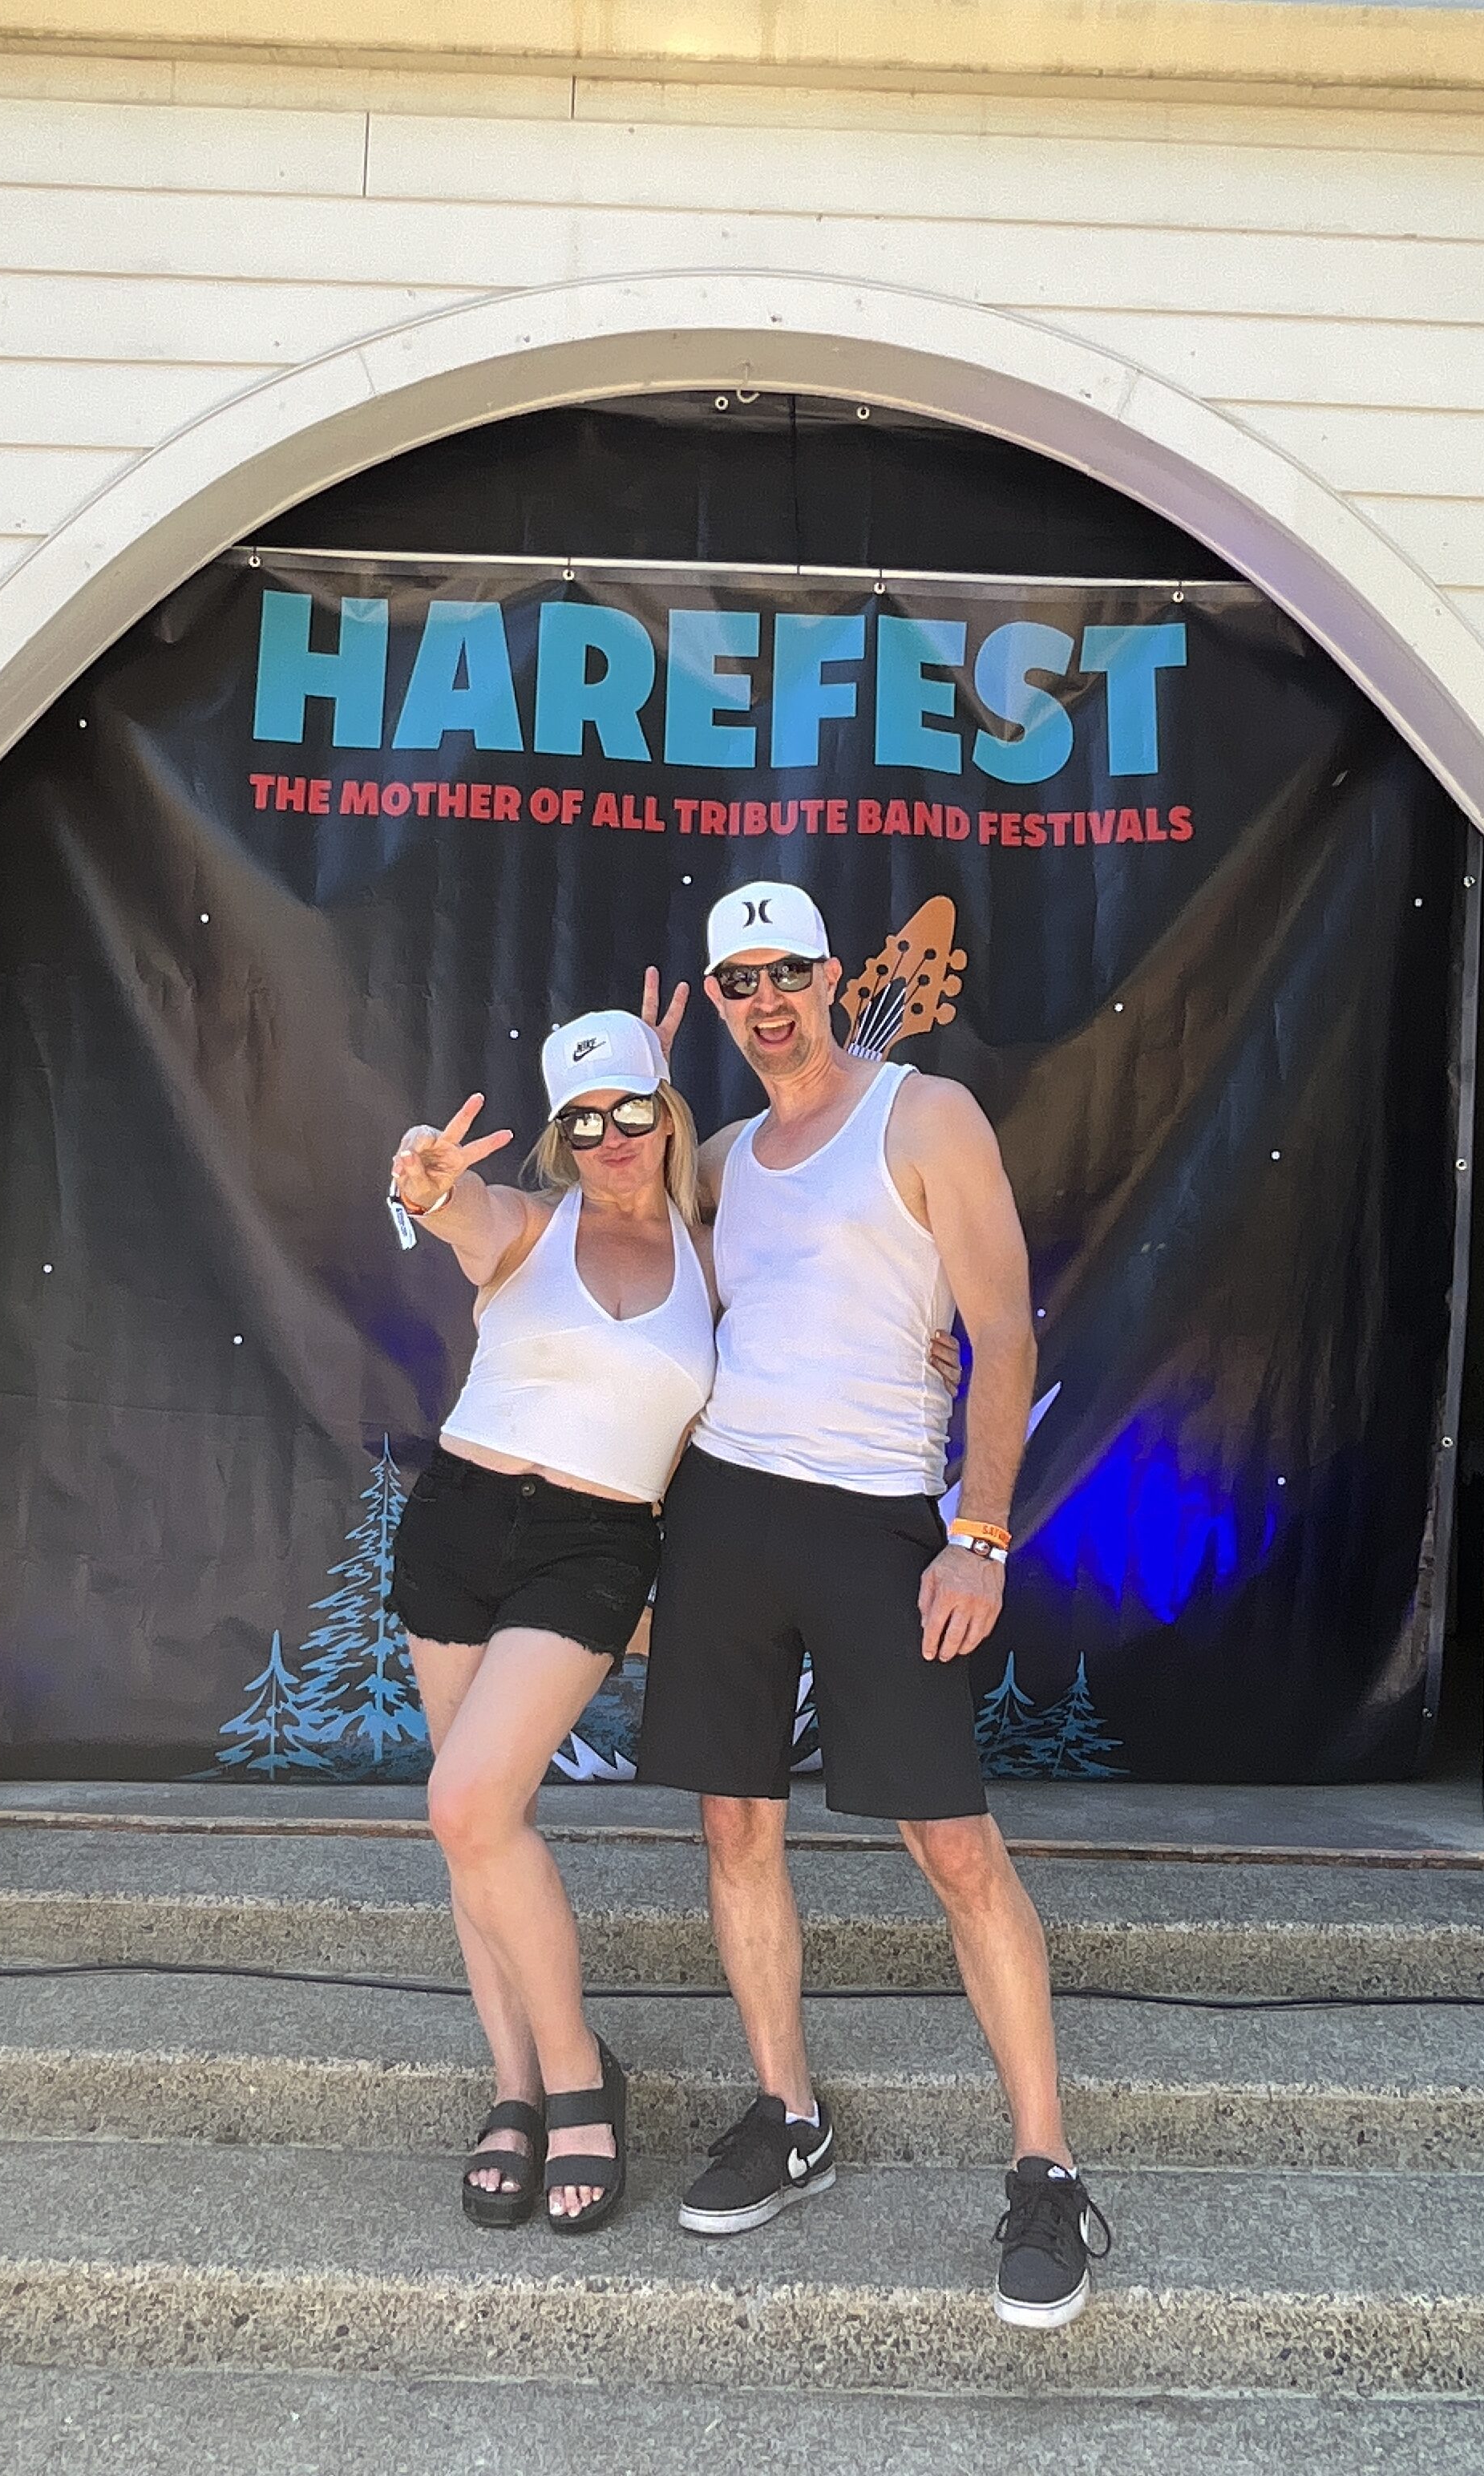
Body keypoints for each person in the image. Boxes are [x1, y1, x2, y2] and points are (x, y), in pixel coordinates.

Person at [637, 880, 1111, 2331]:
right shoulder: (723, 1156)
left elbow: (1004, 1330)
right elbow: (632, 1271)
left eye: (785, 970)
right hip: (726, 1512)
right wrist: (637, 1100)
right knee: (735, 1828)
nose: (764, 999)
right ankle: (789, 2115)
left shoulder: (926, 1115)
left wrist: (981, 1536)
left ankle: (1047, 2169)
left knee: (954, 1847)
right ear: (720, 1005)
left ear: (833, 976)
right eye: (737, 981)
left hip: (879, 1521)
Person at [386, 1009, 716, 2234]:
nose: (611, 1137)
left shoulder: (717, 1257)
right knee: (477, 1825)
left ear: (668, 1114)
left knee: (469, 1803)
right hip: (460, 1521)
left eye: (632, 1110)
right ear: (562, 1138)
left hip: (597, 1544)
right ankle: (516, 2088)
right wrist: (425, 1180)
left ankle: (579, 2073)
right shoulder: (528, 1226)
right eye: (584, 1120)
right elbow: (456, 1208)